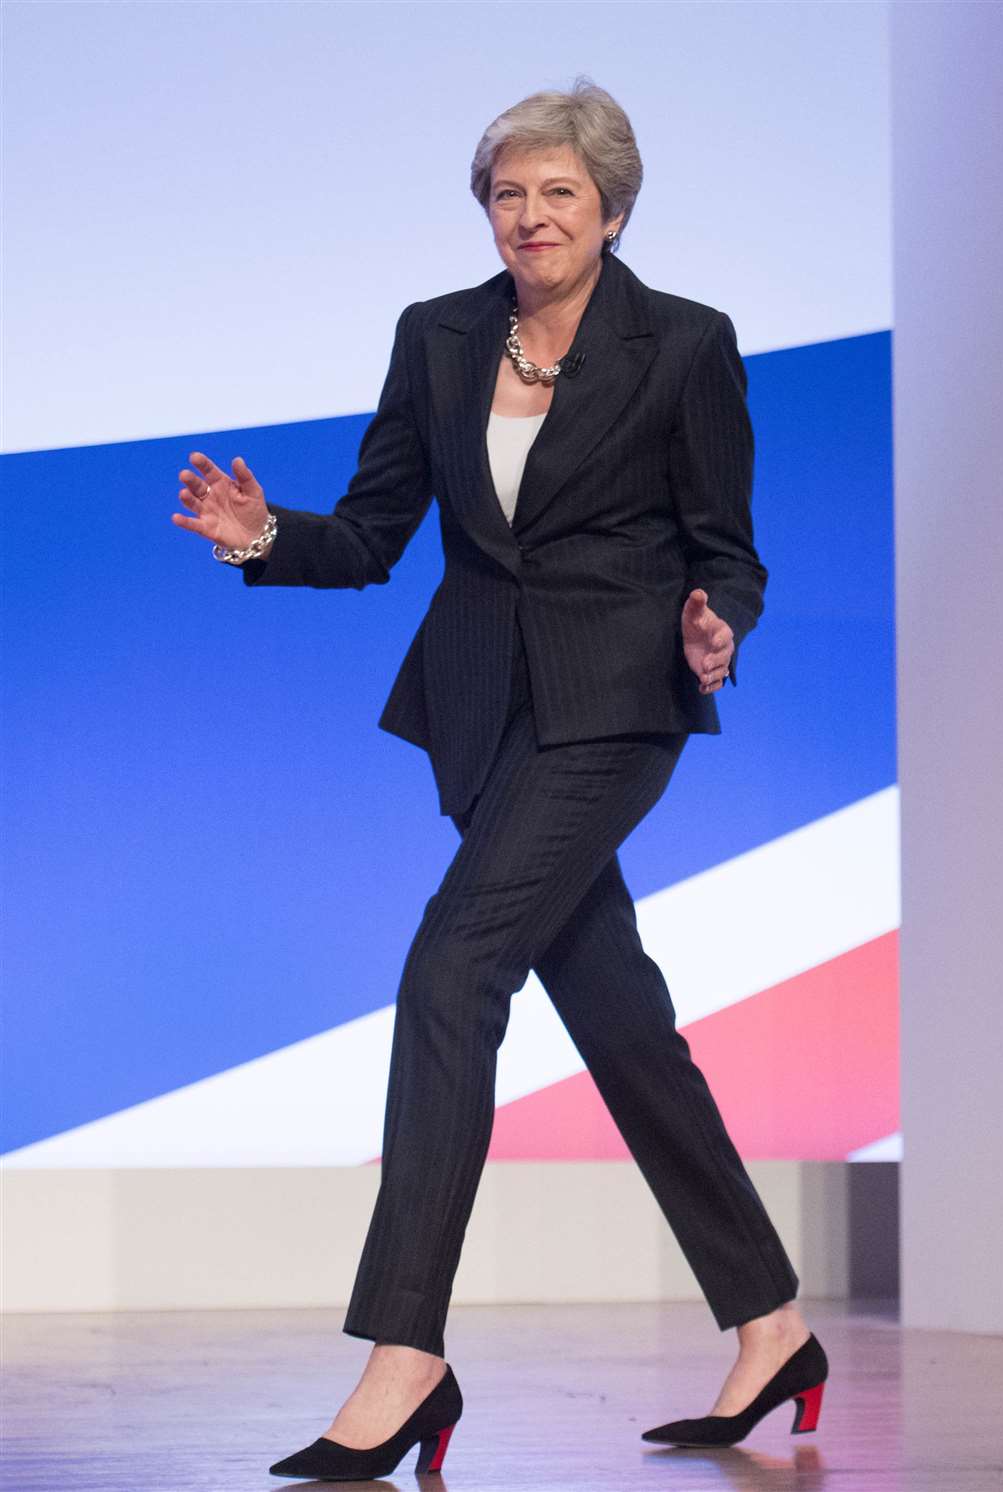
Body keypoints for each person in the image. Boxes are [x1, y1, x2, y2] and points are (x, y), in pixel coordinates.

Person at [173, 77, 828, 1482]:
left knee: (452, 966)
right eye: (508, 193)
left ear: (610, 209)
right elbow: (371, 533)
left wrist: (718, 623)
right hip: (481, 718)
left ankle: (405, 1360)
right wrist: (257, 534)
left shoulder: (686, 346)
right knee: (620, 1020)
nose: (528, 216)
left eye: (557, 194)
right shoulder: (440, 333)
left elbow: (731, 548)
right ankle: (773, 1322)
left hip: (612, 713)